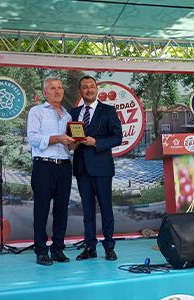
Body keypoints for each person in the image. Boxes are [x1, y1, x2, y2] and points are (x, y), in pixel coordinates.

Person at [68, 76, 124, 262]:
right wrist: (71, 145)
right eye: (85, 87)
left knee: (106, 209)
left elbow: (117, 137)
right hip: (82, 168)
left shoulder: (108, 110)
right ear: (80, 91)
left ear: (96, 89)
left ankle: (109, 247)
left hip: (102, 167)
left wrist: (96, 142)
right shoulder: (74, 112)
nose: (89, 90)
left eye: (92, 86)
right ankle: (90, 247)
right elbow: (70, 136)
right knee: (88, 210)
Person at [26, 77, 78, 266]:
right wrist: (58, 138)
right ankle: (41, 251)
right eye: (52, 88)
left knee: (62, 210)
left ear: (63, 92)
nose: (57, 91)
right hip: (44, 165)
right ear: (45, 93)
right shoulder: (37, 111)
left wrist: (73, 144)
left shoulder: (68, 116)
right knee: (41, 209)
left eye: (60, 88)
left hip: (64, 165)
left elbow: (69, 145)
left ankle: (57, 249)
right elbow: (32, 138)